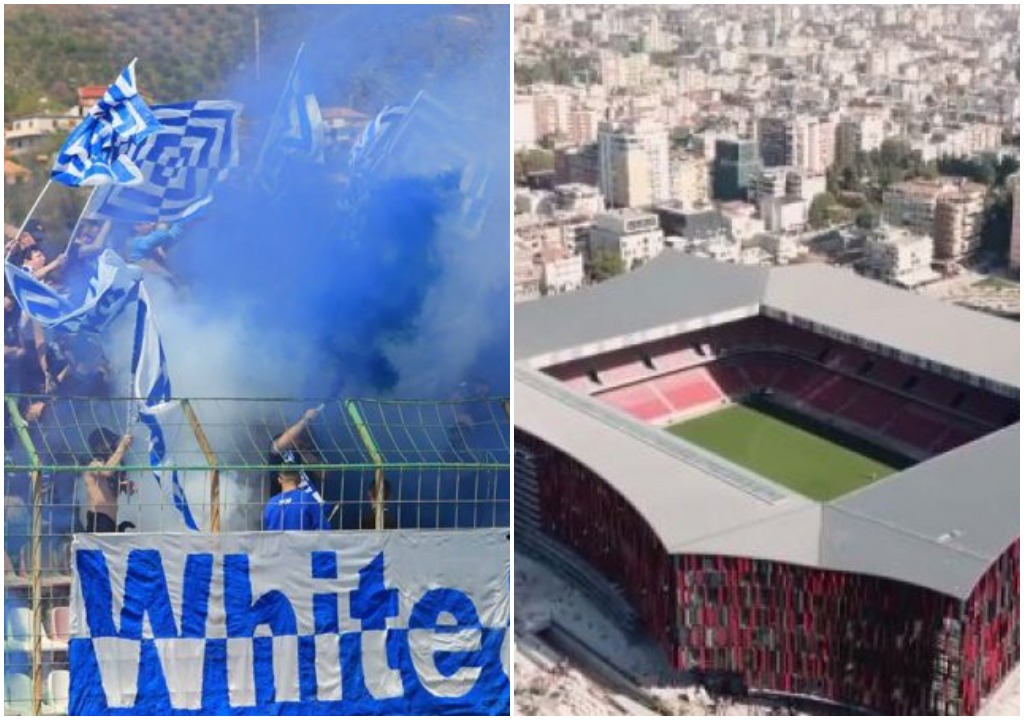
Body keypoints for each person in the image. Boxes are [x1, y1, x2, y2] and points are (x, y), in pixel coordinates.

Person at [263, 406, 331, 530]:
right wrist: (305, 419)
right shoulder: (279, 447)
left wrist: (304, 452)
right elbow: (281, 443)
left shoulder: (306, 451)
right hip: (283, 509)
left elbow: (324, 474)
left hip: (306, 507)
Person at [82, 429, 133, 533]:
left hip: (110, 520)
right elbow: (106, 472)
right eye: (104, 442)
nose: (109, 445)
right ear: (96, 447)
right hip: (98, 518)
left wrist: (126, 486)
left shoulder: (114, 467)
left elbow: (120, 490)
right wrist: (122, 447)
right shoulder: (94, 464)